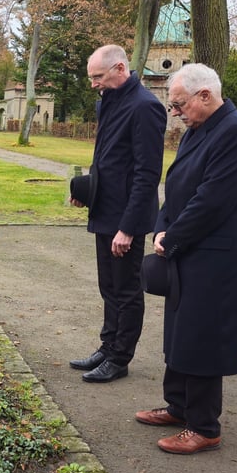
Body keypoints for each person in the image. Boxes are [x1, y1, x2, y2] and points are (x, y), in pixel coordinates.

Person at [136, 63, 237, 454]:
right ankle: (178, 406)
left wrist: (172, 238)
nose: (176, 112)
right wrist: (162, 226)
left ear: (205, 95)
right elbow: (175, 187)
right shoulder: (198, 129)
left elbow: (211, 201)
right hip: (188, 251)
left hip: (217, 259)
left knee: (202, 336)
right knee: (179, 331)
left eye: (179, 104)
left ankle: (204, 426)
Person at [69, 45, 166, 383]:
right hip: (105, 210)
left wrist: (128, 228)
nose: (94, 83)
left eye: (98, 76)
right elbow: (108, 160)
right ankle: (107, 345)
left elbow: (146, 173)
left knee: (125, 289)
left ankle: (120, 357)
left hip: (126, 218)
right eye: (92, 77)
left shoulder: (146, 107)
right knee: (108, 285)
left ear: (120, 69)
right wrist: (87, 191)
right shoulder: (110, 102)